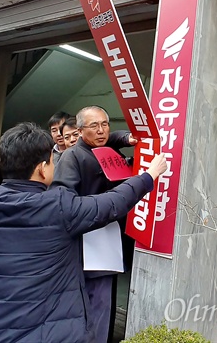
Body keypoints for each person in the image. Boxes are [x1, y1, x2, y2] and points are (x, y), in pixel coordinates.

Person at [0, 122, 166, 342]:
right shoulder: (57, 206)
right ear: (42, 168)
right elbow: (111, 203)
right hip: (40, 332)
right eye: (52, 161)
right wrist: (149, 175)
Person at [52, 105, 140, 343]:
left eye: (104, 124)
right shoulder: (73, 157)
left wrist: (127, 137)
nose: (101, 131)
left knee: (104, 308)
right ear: (80, 131)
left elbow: (115, 137)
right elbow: (64, 204)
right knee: (88, 308)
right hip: (84, 245)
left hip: (110, 243)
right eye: (94, 126)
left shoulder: (107, 149)